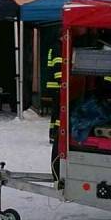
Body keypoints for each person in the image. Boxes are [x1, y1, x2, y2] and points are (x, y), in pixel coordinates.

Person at [46, 44, 63, 181]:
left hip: (55, 85)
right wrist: (63, 82)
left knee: (55, 114)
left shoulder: (53, 47)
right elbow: (58, 68)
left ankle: (53, 133)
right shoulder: (58, 48)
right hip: (58, 85)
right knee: (58, 114)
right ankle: (56, 134)